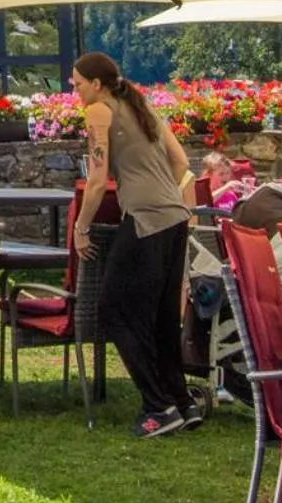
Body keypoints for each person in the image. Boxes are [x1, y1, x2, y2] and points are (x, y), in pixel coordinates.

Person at [72, 51, 198, 439]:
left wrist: (81, 227)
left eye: (77, 84)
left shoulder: (98, 112)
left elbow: (95, 182)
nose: (75, 92)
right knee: (161, 316)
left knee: (115, 310)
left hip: (144, 219)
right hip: (175, 218)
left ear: (96, 84)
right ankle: (181, 400)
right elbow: (180, 162)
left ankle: (157, 407)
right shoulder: (141, 106)